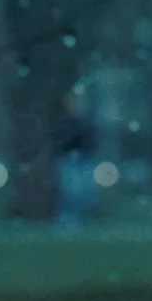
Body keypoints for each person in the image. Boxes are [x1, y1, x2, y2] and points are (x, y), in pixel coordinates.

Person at [53, 93, 100, 225]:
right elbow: (59, 140)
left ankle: (83, 217)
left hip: (84, 160)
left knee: (84, 190)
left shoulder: (85, 122)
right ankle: (69, 217)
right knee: (69, 190)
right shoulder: (64, 122)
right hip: (69, 160)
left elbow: (91, 140)